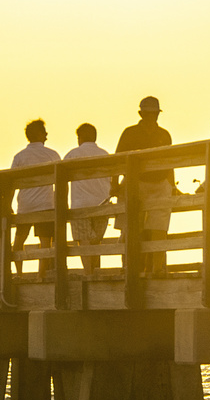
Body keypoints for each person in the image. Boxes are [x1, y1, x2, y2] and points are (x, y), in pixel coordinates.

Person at [115, 96, 175, 275]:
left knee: (159, 227)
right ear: (141, 114)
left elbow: (170, 162)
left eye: (153, 114)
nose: (151, 117)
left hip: (160, 183)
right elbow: (117, 160)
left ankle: (156, 267)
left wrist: (171, 186)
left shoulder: (164, 134)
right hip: (136, 183)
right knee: (133, 228)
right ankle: (131, 267)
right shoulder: (130, 133)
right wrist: (114, 183)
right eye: (149, 114)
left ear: (157, 114)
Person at [65, 123, 114, 276]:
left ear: (79, 138)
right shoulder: (105, 154)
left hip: (81, 204)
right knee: (96, 240)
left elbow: (61, 177)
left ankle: (88, 273)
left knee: (83, 239)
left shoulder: (73, 154)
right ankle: (95, 271)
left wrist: (62, 202)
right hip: (103, 203)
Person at [10, 119, 59, 273]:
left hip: (25, 205)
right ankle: (41, 274)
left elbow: (11, 182)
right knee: (45, 242)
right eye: (44, 131)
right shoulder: (52, 154)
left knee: (19, 240)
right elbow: (61, 182)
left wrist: (8, 204)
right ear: (39, 134)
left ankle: (19, 273)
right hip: (46, 204)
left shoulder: (19, 157)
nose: (46, 134)